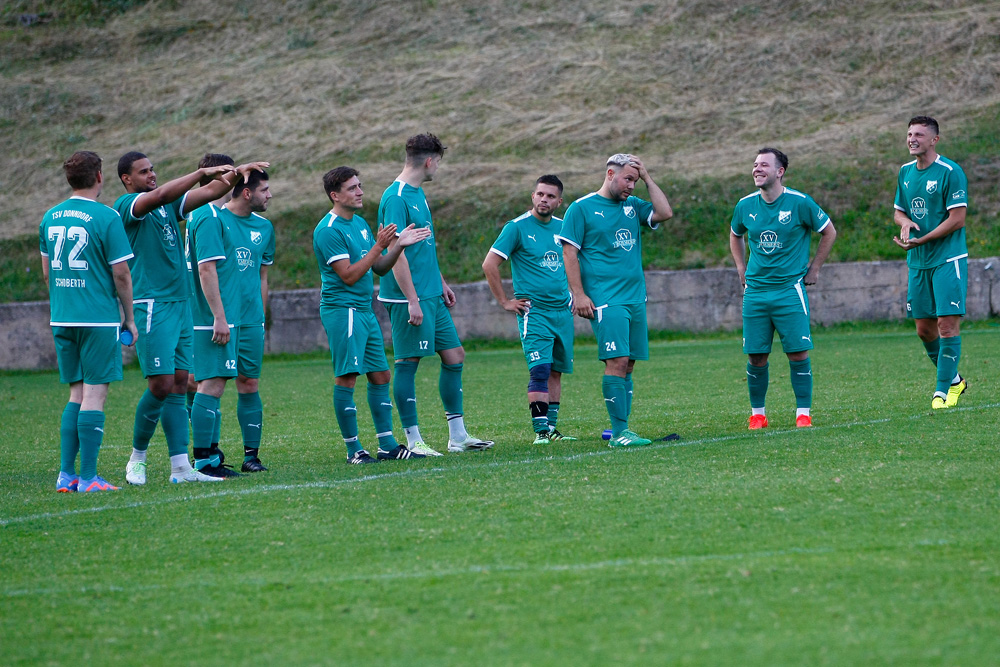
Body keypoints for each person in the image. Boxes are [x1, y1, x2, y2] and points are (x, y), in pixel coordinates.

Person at [115, 151, 264, 484]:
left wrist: (237, 173)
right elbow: (160, 194)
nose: (151, 175)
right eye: (143, 171)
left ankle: (181, 467)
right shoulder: (129, 206)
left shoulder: (168, 208)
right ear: (127, 179)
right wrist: (199, 173)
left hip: (180, 303)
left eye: (153, 169)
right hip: (153, 304)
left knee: (181, 384)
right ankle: (137, 458)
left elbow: (212, 193)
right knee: (160, 384)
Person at [377, 133, 494, 455]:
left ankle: (458, 436)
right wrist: (413, 300)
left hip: (431, 292)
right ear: (430, 161)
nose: (438, 169)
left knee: (455, 356)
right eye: (438, 162)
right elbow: (395, 251)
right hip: (408, 297)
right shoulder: (396, 197)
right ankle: (414, 440)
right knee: (408, 362)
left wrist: (440, 281)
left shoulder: (418, 194)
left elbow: (422, 245)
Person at [314, 166, 432, 464]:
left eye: (360, 185)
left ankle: (387, 445)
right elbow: (349, 275)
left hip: (364, 310)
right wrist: (380, 245)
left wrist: (396, 246)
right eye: (352, 188)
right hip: (344, 311)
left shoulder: (361, 224)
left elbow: (378, 267)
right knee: (348, 377)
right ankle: (354, 449)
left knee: (380, 375)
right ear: (335, 195)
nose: (360, 191)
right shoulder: (328, 230)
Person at [558, 154, 673, 447]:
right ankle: (620, 433)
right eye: (628, 179)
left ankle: (620, 428)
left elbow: (664, 213)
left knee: (629, 363)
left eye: (635, 181)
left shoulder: (632, 206)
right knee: (617, 360)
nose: (632, 186)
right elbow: (569, 253)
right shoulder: (581, 208)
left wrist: (647, 177)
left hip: (635, 297)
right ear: (610, 173)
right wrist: (579, 294)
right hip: (605, 299)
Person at [40, 151, 138, 492]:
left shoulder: (49, 217)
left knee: (76, 393)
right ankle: (90, 478)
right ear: (99, 176)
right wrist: (129, 317)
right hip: (97, 318)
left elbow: (48, 271)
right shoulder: (106, 216)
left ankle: (66, 475)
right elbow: (122, 274)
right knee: (95, 395)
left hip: (62, 316)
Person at [729, 147, 837, 429]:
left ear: (780, 172)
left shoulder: (800, 203)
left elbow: (829, 231)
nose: (757, 169)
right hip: (755, 292)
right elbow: (735, 234)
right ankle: (758, 414)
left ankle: (803, 413)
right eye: (754, 165)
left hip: (789, 290)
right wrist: (741, 267)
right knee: (756, 354)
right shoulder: (745, 205)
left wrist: (814, 268)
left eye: (764, 165)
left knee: (798, 352)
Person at [483, 174, 578, 445]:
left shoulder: (564, 228)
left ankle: (552, 429)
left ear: (559, 201)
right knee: (540, 369)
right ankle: (540, 432)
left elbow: (575, 261)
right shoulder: (516, 228)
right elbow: (489, 265)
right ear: (532, 196)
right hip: (534, 313)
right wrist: (505, 301)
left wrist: (575, 294)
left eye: (550, 196)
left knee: (556, 371)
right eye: (540, 194)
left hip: (562, 312)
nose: (544, 199)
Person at [892, 116, 970, 409]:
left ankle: (940, 392)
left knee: (946, 325)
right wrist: (906, 222)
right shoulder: (905, 172)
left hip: (948, 259)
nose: (912, 139)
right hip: (918, 260)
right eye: (910, 134)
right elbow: (898, 211)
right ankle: (955, 381)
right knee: (924, 329)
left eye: (919, 135)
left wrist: (923, 239)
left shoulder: (951, 172)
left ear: (934, 139)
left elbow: (957, 219)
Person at [183, 160, 255, 480]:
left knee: (213, 385)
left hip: (215, 315)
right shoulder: (208, 217)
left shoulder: (208, 216)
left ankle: (210, 454)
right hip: (209, 317)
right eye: (233, 175)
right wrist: (219, 318)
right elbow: (206, 269)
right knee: (209, 384)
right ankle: (204, 460)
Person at [220, 169, 275, 472]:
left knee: (249, 382)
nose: (269, 195)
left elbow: (262, 276)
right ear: (246, 192)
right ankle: (204, 453)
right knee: (200, 384)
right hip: (217, 319)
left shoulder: (265, 228)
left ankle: (251, 457)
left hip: (251, 319)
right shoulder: (213, 220)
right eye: (265, 190)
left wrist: (261, 316)